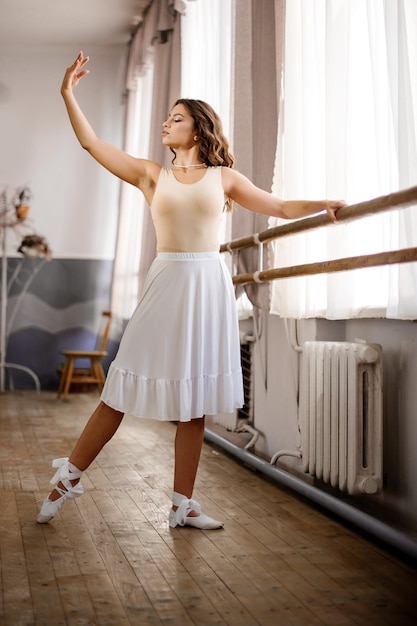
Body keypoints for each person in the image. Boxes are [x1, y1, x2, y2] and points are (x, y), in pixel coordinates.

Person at [37, 52, 345, 529]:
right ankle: (68, 480)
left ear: (198, 129)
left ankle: (183, 504)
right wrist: (67, 94)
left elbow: (280, 205)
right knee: (119, 387)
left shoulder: (224, 178)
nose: (165, 123)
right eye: (165, 117)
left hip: (208, 284)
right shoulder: (150, 174)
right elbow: (91, 142)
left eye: (175, 118)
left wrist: (323, 205)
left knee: (194, 402)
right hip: (168, 281)